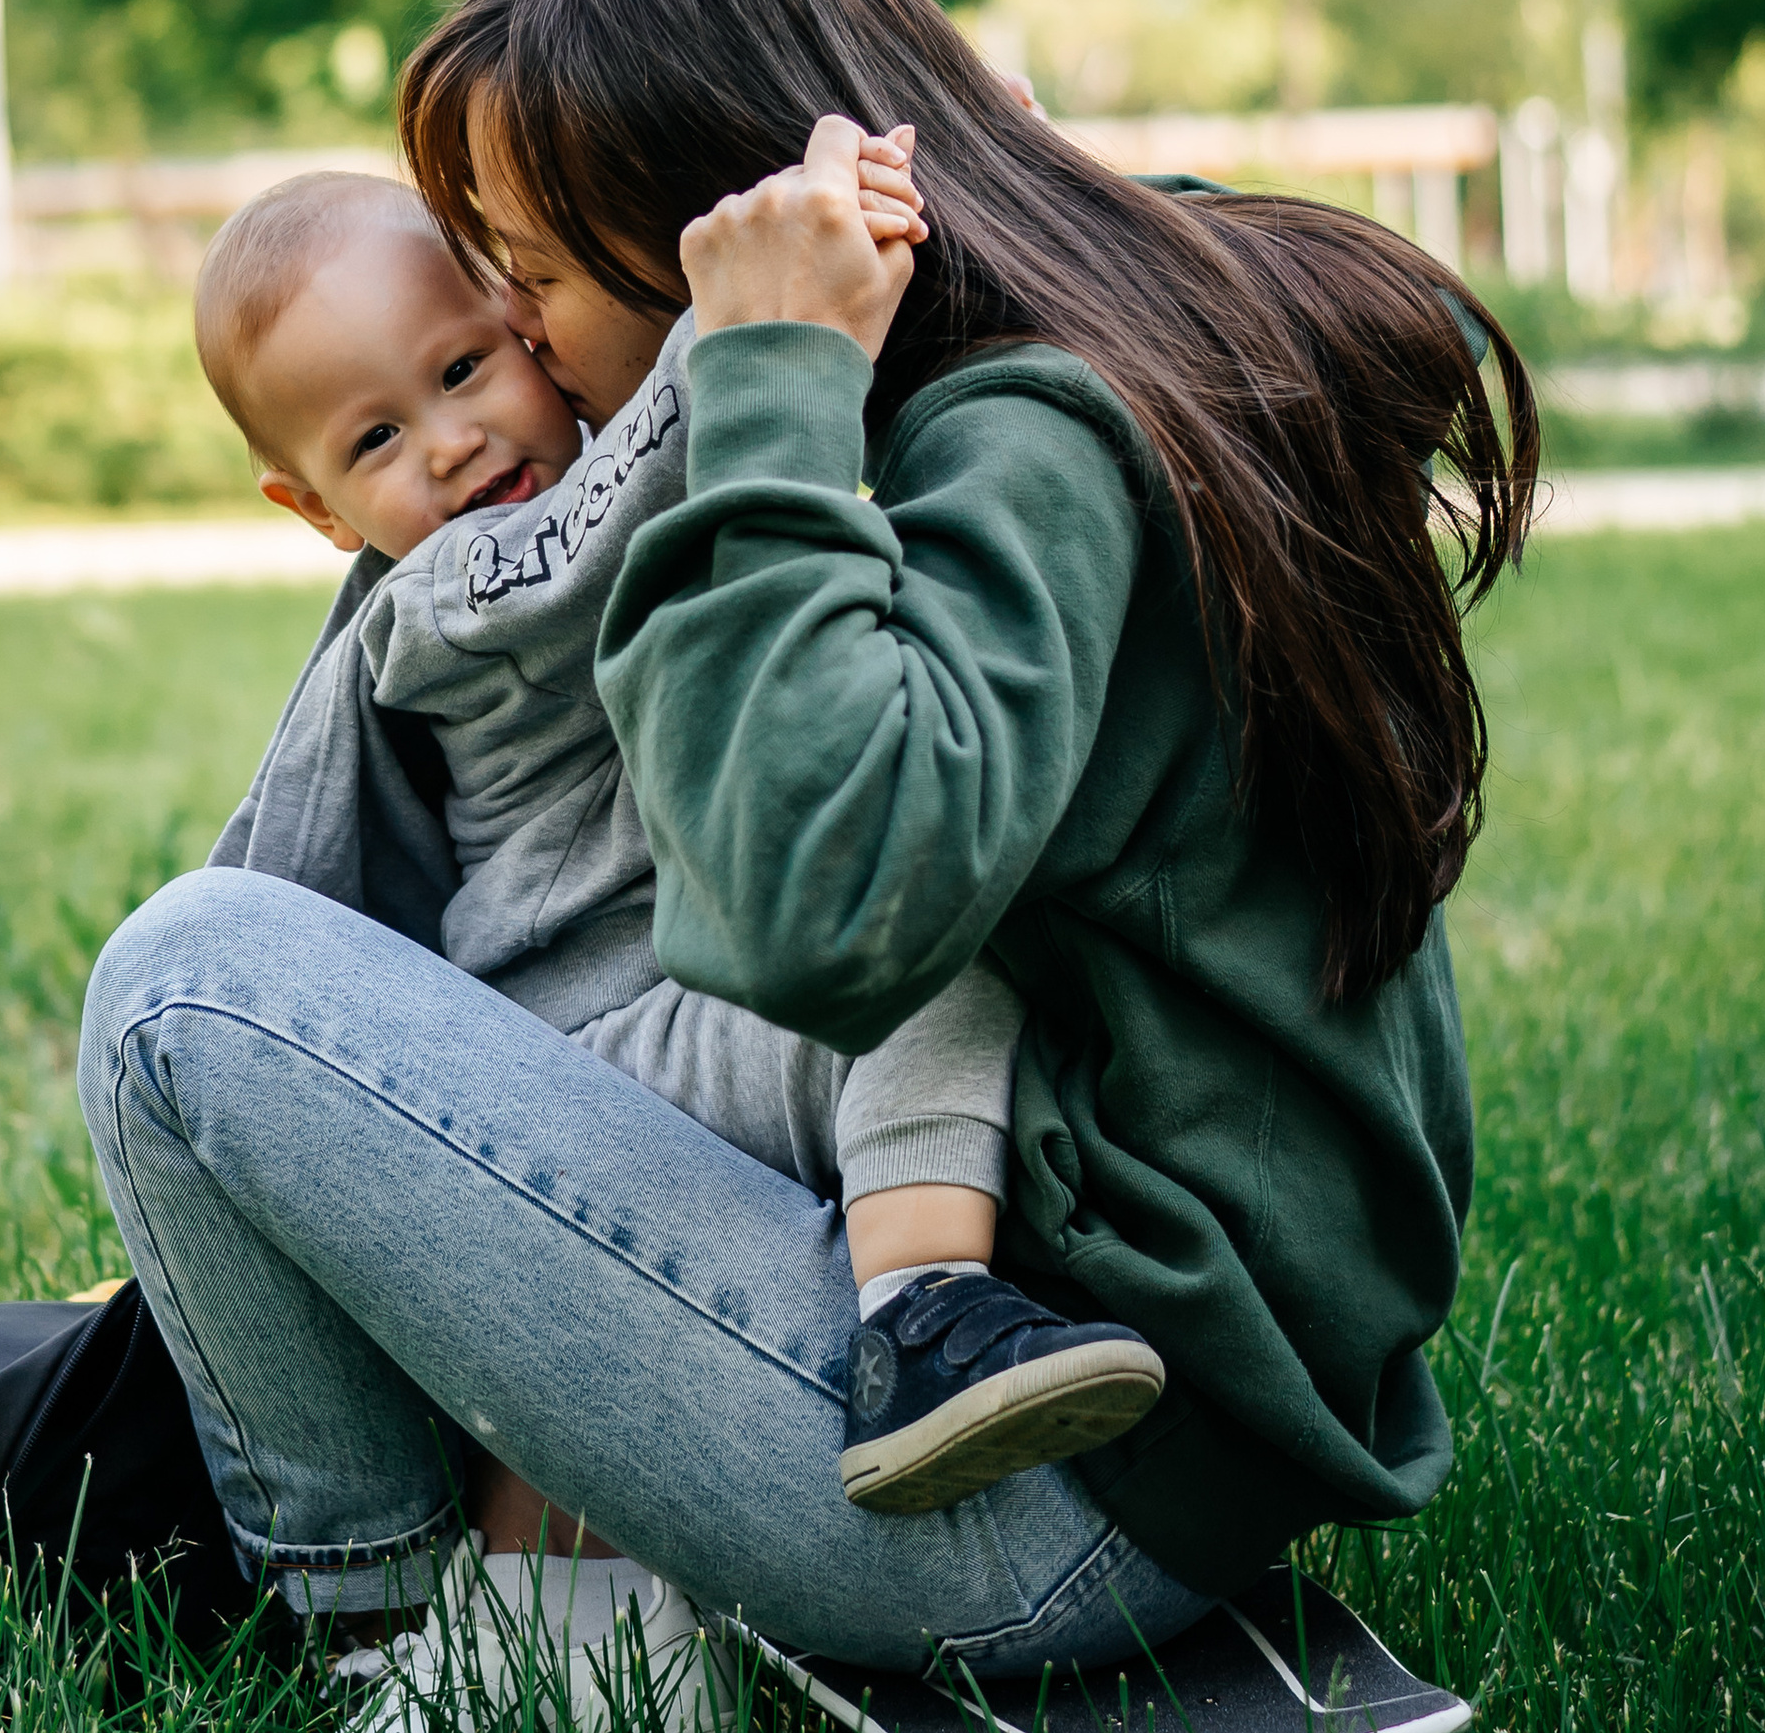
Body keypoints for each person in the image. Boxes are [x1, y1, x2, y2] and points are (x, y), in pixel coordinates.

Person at [77, 0, 1536, 1733]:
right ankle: (550, 1590)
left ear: (719, 235)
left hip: (1028, 1488)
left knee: (188, 981)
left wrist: (768, 375)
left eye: (524, 275)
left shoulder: (1013, 443)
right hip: (1156, 1427)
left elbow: (811, 916)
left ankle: (413, 1633)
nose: (516, 340)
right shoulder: (1107, 344)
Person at [184, 164, 1167, 1521]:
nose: (449, 443)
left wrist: (954, 174)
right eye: (373, 443)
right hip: (577, 1056)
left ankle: (928, 1314)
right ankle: (911, 1324)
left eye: (463, 368)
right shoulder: (443, 600)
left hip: (721, 1008)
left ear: (526, 327)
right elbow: (614, 519)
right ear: (312, 509)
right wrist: (756, 317)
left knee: (937, 958)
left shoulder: (602, 479)